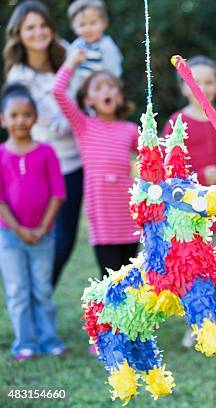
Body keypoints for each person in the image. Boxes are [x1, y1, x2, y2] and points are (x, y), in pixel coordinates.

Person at [162, 55, 216, 348]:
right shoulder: (176, 122)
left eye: (209, 82)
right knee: (192, 268)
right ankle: (196, 323)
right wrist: (194, 177)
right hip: (188, 209)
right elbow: (169, 167)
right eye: (195, 82)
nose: (202, 88)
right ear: (184, 86)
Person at [3, 0, 83, 290]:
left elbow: (86, 88)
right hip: (43, 163)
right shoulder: (20, 76)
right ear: (19, 34)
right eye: (30, 28)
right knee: (48, 237)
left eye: (42, 25)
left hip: (75, 161)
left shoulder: (65, 57)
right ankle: (36, 296)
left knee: (66, 239)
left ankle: (43, 293)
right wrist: (78, 119)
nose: (38, 32)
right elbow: (52, 122)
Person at [53, 49, 139, 278]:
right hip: (103, 218)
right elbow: (57, 91)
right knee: (111, 280)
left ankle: (132, 316)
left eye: (111, 86)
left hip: (129, 215)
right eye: (98, 88)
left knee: (133, 279)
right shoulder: (84, 126)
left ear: (119, 95)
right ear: (88, 100)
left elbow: (151, 155)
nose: (106, 91)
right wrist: (71, 63)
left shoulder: (129, 130)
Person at [0, 84, 66, 361]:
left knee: (42, 289)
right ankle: (25, 342)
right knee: (17, 291)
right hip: (10, 237)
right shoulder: (1, 155)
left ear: (35, 117)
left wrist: (41, 228)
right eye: (13, 115)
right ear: (3, 119)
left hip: (43, 235)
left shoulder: (47, 152)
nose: (20, 121)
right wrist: (18, 229)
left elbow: (58, 194)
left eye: (26, 114)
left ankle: (49, 340)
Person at [66, 0, 123, 96]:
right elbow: (70, 71)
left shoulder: (107, 46)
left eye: (93, 23)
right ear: (74, 27)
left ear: (104, 23)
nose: (88, 29)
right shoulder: (75, 47)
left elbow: (114, 72)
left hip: (102, 94)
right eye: (82, 24)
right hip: (79, 95)